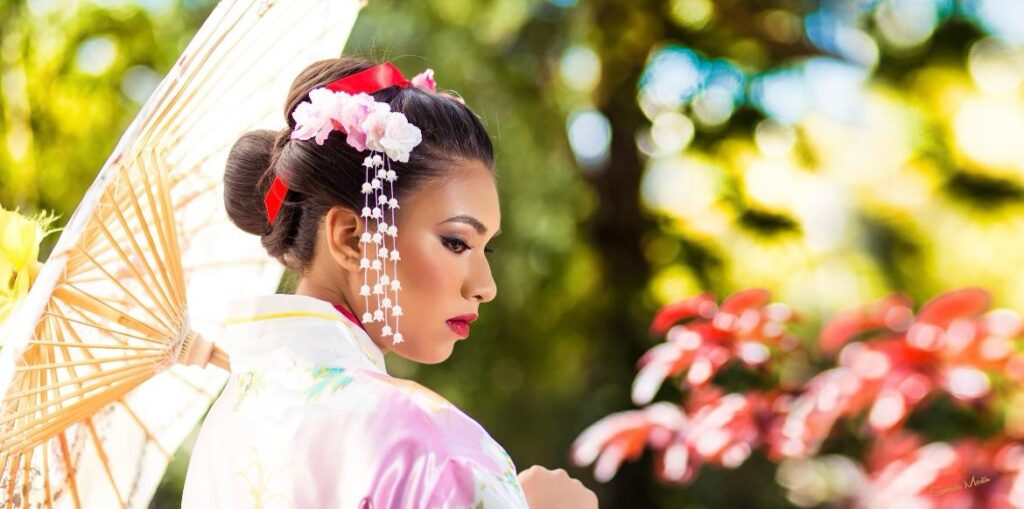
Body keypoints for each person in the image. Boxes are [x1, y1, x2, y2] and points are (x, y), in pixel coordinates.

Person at [181, 57, 599, 508]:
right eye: (457, 242)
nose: (485, 286)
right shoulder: (420, 439)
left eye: (486, 249)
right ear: (353, 237)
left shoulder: (227, 426)